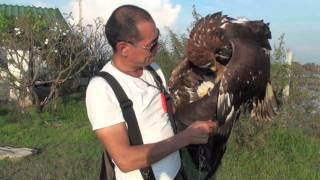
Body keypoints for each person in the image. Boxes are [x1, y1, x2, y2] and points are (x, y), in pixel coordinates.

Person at [85, 4, 217, 180]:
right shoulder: (102, 89)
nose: (158, 48)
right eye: (151, 45)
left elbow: (165, 114)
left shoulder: (153, 70)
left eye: (158, 39)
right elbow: (125, 160)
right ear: (123, 48)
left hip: (176, 172)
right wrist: (186, 138)